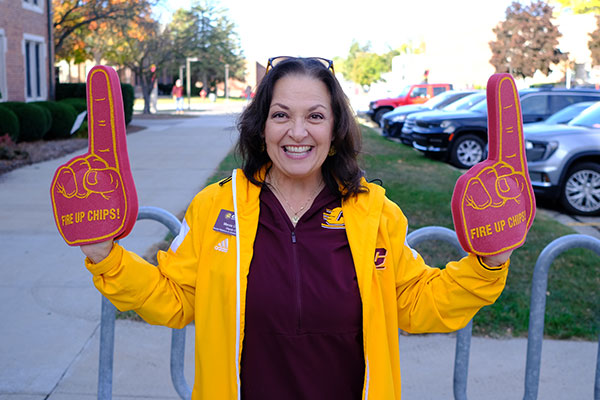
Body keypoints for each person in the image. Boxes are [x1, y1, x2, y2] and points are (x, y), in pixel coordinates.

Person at [81, 57, 511, 399]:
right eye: (281, 114)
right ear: (261, 126)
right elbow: (173, 299)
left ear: (336, 128)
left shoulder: (374, 213)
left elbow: (417, 302)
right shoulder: (216, 207)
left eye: (315, 116)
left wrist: (488, 265)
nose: (298, 132)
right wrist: (106, 256)